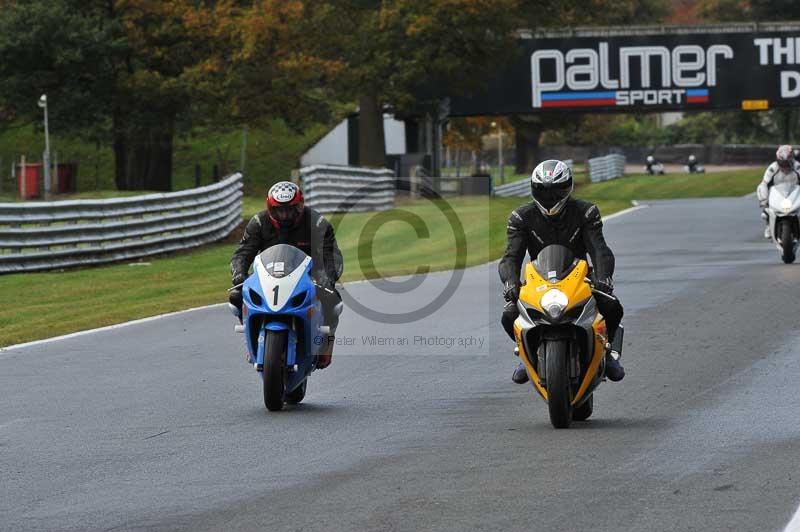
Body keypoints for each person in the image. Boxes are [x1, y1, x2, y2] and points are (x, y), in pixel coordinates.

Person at [498, 160, 625, 383]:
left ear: (568, 188)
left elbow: (600, 249)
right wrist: (510, 282)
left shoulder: (586, 212)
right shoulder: (520, 217)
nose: (550, 197)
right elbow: (511, 256)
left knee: (612, 306)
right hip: (539, 278)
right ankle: (527, 356)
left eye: (557, 190)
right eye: (544, 191)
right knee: (509, 314)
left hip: (580, 275)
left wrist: (604, 277)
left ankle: (608, 352)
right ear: (534, 189)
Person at [229, 181, 344, 369]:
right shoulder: (259, 223)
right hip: (268, 277)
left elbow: (332, 256)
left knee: (333, 300)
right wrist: (239, 273)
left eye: (290, 210)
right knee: (236, 295)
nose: (285, 215)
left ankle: (326, 345)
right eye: (279, 210)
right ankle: (250, 339)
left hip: (307, 277)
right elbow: (242, 253)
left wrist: (328, 277)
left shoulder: (317, 223)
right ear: (270, 208)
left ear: (300, 205)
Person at [757, 145, 800, 239]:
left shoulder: (797, 167)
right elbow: (764, 183)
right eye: (782, 162)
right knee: (765, 213)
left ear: (791, 159)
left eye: (786, 162)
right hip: (777, 194)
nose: (784, 164)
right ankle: (769, 225)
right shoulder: (773, 168)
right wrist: (764, 201)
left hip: (795, 193)